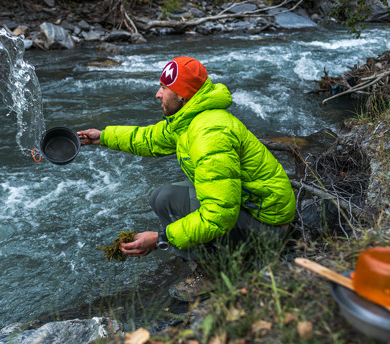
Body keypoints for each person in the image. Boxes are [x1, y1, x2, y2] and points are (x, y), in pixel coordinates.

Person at [78, 57, 295, 301]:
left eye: (164, 89)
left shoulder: (209, 134)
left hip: (268, 227)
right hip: (251, 208)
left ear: (182, 96)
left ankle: (217, 273)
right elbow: (149, 138)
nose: (157, 95)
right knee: (161, 197)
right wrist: (103, 137)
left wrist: (161, 238)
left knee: (170, 201)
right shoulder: (191, 119)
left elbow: (219, 215)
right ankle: (220, 255)